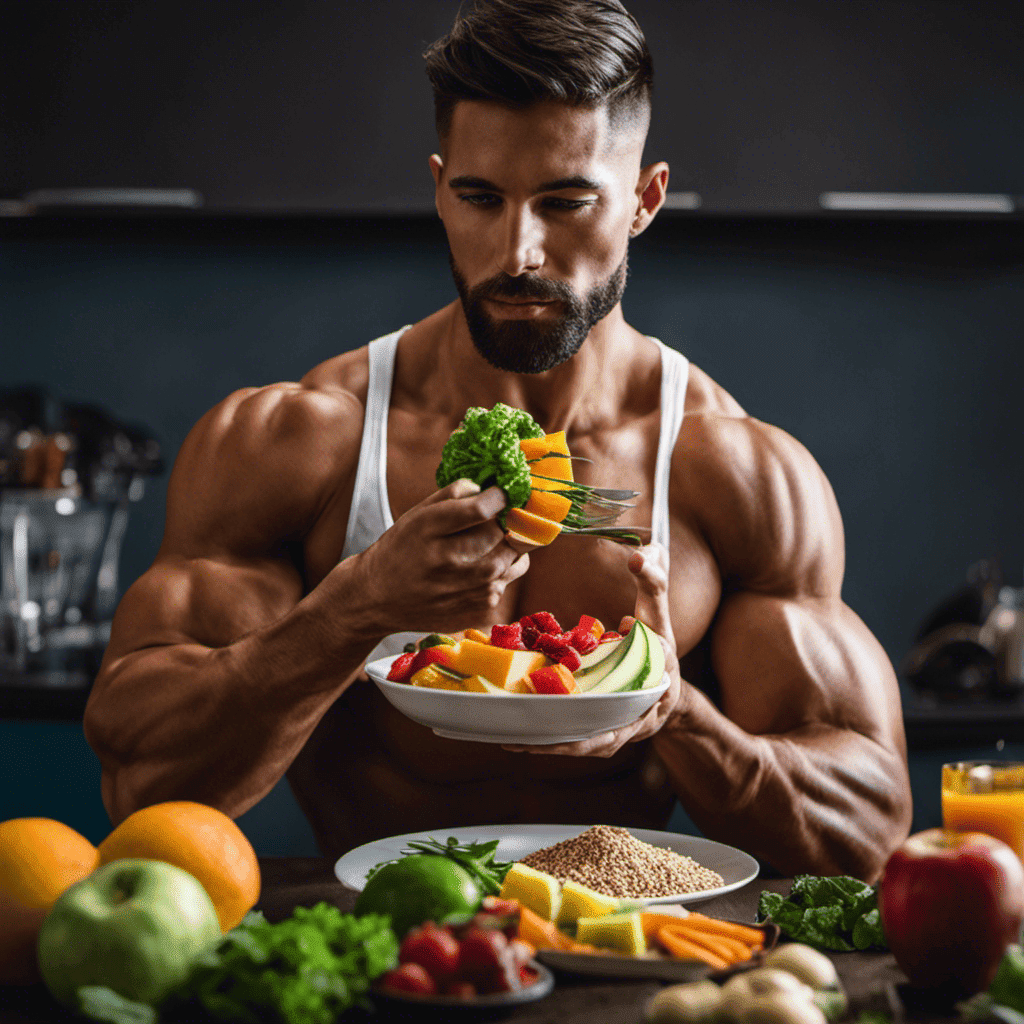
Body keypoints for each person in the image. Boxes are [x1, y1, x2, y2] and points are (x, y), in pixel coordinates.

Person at [84, 0, 912, 881]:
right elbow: (143, 777)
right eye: (481, 198)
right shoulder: (299, 442)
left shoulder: (731, 471)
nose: (519, 250)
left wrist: (677, 713)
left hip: (627, 958)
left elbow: (864, 834)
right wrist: (356, 605)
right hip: (388, 944)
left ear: (644, 199)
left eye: (565, 202)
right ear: (440, 189)